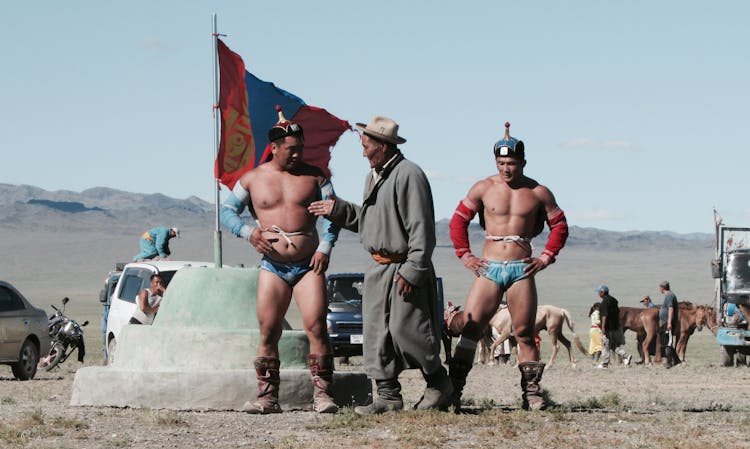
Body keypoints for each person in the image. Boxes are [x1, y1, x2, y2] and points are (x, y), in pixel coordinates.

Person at [307, 115, 452, 415]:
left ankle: (439, 384)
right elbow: (370, 222)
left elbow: (421, 228)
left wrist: (414, 268)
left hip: (404, 267)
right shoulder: (374, 176)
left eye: (366, 145)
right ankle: (387, 396)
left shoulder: (408, 174)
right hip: (378, 269)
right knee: (376, 335)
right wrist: (339, 210)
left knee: (409, 331)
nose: (362, 151)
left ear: (383, 146)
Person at [220, 107, 340, 414]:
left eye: (300, 149)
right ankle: (268, 397)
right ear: (274, 148)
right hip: (272, 266)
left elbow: (333, 215)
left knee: (316, 326)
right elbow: (226, 211)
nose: (297, 155)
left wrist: (325, 246)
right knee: (269, 330)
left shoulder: (316, 177)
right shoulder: (251, 179)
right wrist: (249, 233)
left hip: (307, 265)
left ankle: (324, 396)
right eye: (291, 150)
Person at [443, 122, 569, 411]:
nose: (506, 169)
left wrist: (546, 257)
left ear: (523, 162)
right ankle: (454, 392)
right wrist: (465, 255)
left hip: (520, 270)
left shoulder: (538, 192)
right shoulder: (483, 188)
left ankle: (533, 394)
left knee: (524, 332)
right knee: (472, 329)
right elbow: (458, 221)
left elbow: (560, 225)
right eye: (501, 163)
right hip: (489, 268)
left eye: (511, 163)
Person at [596, 285, 632, 369]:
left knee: (605, 345)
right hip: (615, 327)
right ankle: (626, 356)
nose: (598, 293)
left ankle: (604, 364)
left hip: (608, 328)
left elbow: (604, 315)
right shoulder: (614, 300)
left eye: (599, 292)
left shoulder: (604, 302)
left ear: (602, 292)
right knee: (613, 346)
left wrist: (603, 327)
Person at [658, 281, 680, 368]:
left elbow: (671, 309)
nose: (659, 289)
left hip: (668, 323)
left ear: (662, 288)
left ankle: (669, 362)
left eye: (660, 288)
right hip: (665, 322)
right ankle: (677, 360)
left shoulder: (670, 296)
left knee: (668, 342)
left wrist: (669, 322)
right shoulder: (668, 296)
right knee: (665, 341)